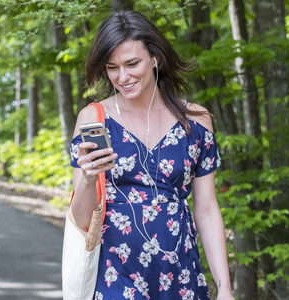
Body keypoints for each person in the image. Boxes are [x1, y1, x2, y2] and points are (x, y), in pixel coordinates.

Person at [69, 10, 234, 300]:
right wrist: (86, 178)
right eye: (112, 67)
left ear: (155, 58)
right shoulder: (93, 118)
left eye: (132, 63)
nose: (123, 77)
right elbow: (81, 220)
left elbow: (207, 208)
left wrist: (225, 289)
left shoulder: (195, 120)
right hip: (113, 275)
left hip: (180, 273)